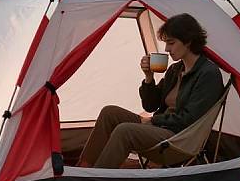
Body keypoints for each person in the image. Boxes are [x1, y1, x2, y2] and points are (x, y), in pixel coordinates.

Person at [78, 13, 224, 169]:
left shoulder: (208, 74)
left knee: (125, 131)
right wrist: (148, 78)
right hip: (159, 129)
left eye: (171, 43)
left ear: (188, 41)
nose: (167, 49)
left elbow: (189, 119)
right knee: (109, 113)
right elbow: (150, 106)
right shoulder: (175, 70)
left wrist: (153, 121)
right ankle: (84, 168)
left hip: (179, 138)